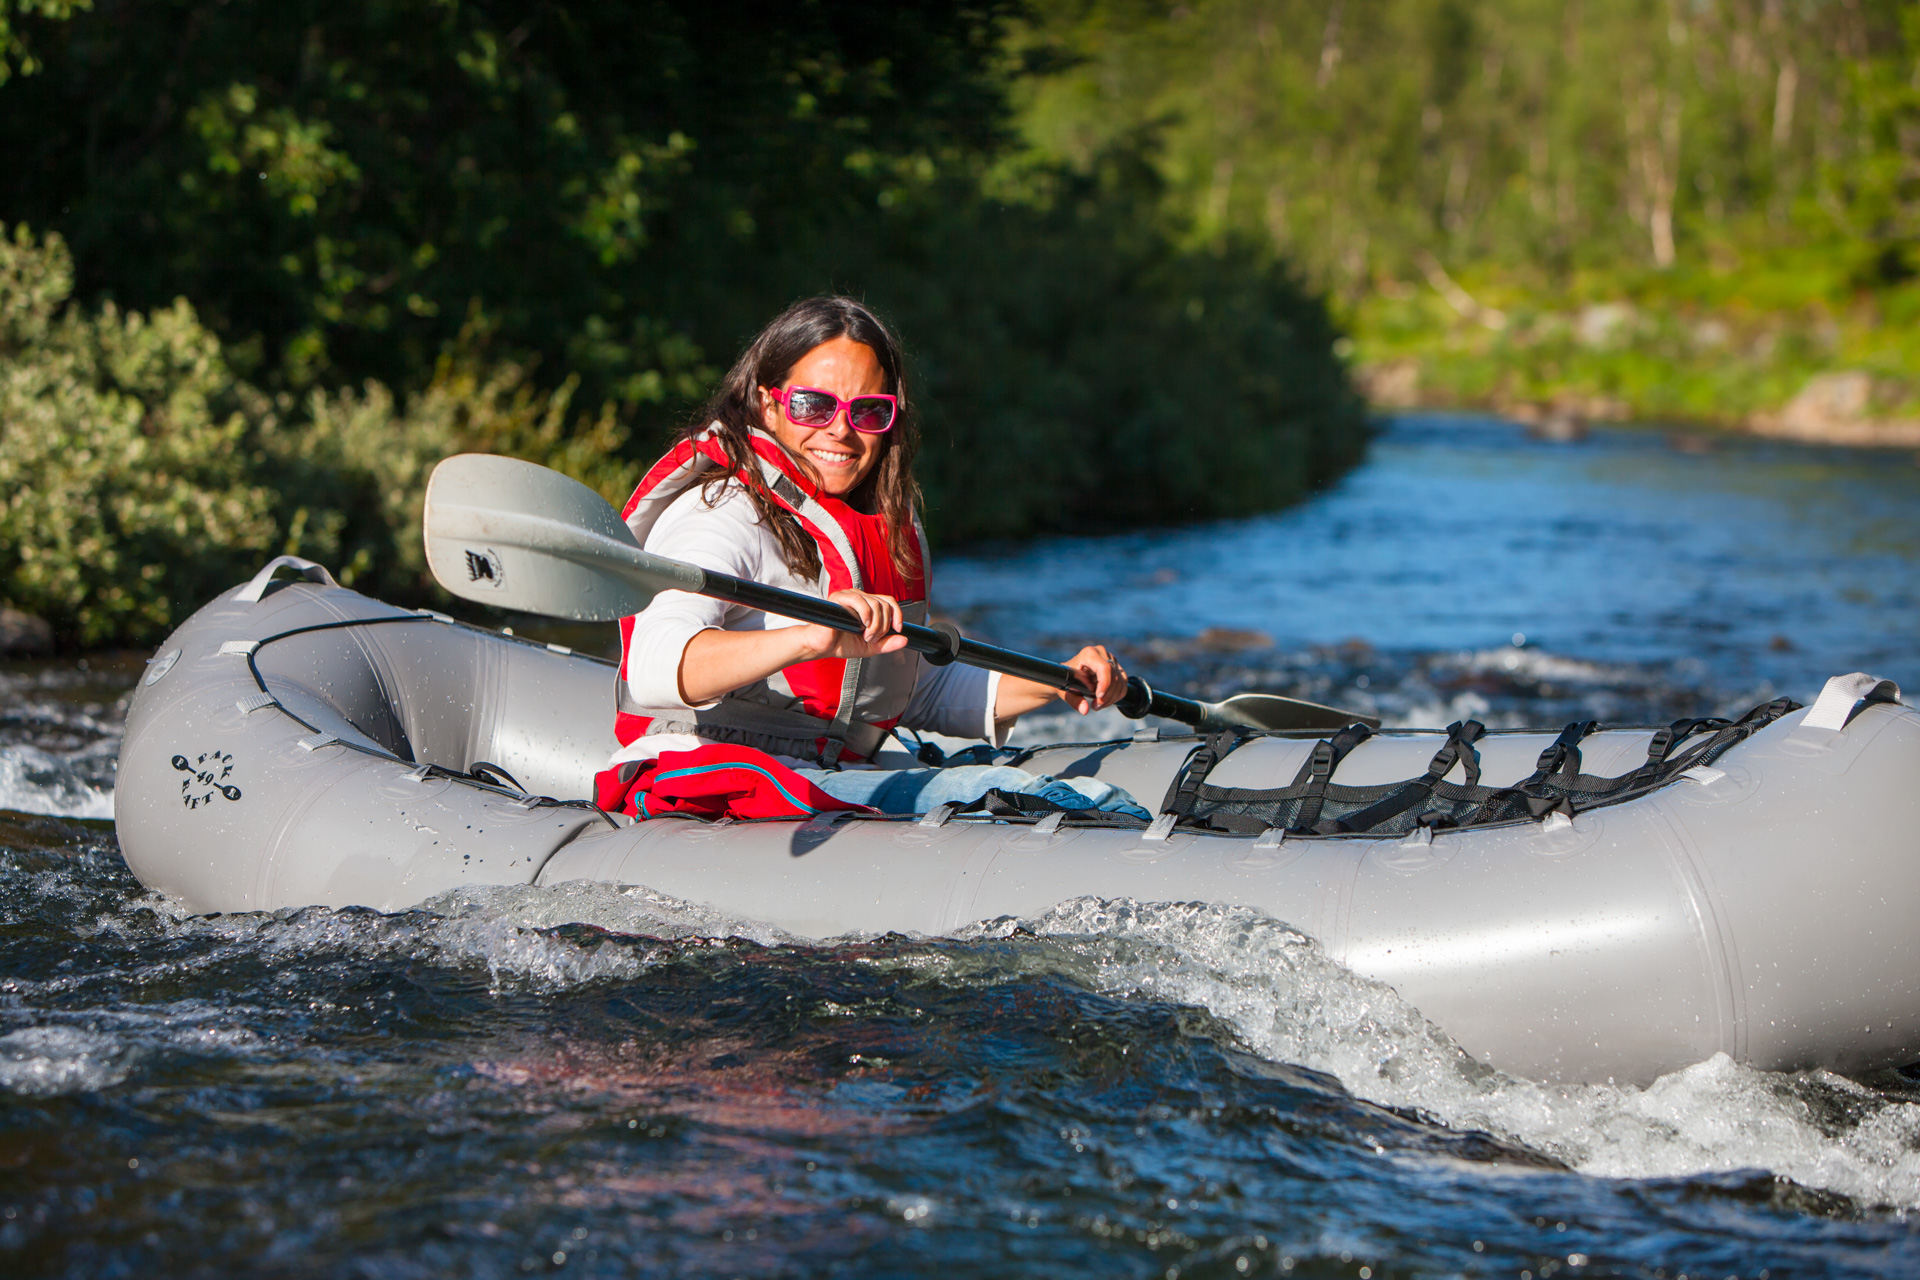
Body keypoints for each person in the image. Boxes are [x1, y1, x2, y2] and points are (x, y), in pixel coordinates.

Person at [601, 295, 1150, 819]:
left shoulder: (879, 529)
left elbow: (917, 692)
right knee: (1057, 800)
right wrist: (811, 635)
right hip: (709, 777)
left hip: (826, 772)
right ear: (768, 404)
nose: (840, 429)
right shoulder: (717, 510)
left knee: (1029, 782)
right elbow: (653, 669)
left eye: (867, 410)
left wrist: (1058, 681)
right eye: (813, 405)